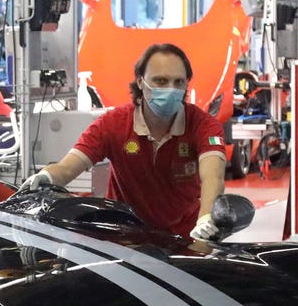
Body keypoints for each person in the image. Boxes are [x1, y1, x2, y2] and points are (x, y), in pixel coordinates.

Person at [20, 43, 226, 240]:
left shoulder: (203, 125)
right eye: (161, 81)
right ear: (140, 82)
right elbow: (67, 168)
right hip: (124, 238)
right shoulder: (113, 124)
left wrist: (206, 217)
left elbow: (213, 176)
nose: (171, 89)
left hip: (185, 238)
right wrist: (46, 176)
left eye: (179, 82)